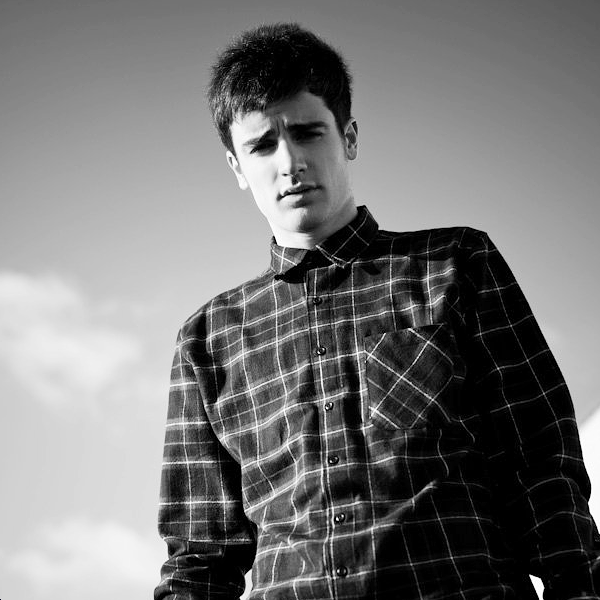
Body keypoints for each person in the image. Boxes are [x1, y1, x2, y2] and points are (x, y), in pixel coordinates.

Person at [155, 22, 600, 600]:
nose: (290, 162)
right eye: (262, 145)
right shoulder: (207, 339)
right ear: (237, 167)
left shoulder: (455, 265)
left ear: (349, 138)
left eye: (307, 133)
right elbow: (199, 558)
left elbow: (541, 461)